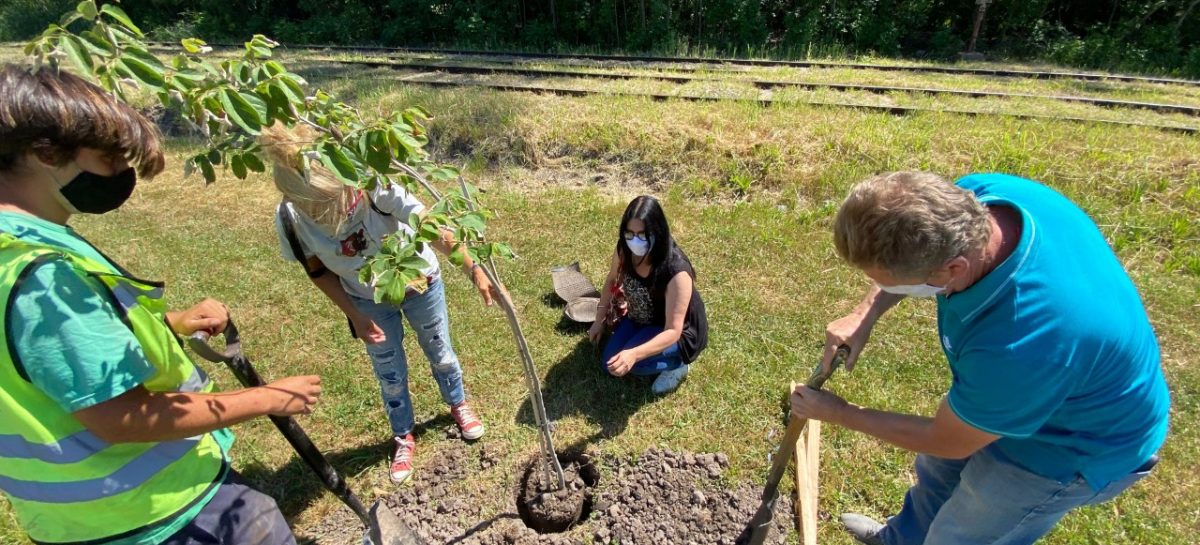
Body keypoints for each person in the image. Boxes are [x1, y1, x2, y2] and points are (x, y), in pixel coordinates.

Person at [0, 64, 322, 545]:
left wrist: (170, 325)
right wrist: (266, 398)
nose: (122, 172)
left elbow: (58, 363)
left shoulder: (17, 249)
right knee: (259, 524)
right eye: (110, 158)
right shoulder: (43, 280)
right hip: (149, 511)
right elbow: (123, 415)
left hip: (84, 518)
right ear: (46, 152)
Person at [791, 171, 1170, 545]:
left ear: (954, 268)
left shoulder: (1022, 341)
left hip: (1072, 444)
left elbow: (948, 440)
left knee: (961, 533)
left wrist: (840, 413)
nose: (887, 290)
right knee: (936, 477)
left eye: (893, 283)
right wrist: (865, 313)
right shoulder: (974, 201)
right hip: (1020, 392)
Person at [260, 123, 498, 485]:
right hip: (367, 299)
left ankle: (457, 404)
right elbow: (318, 271)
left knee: (441, 353)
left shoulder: (372, 184)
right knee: (389, 372)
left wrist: (474, 269)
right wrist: (354, 314)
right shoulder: (291, 220)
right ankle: (403, 434)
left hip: (420, 282)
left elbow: (430, 226)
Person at [588, 195, 708, 394]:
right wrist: (599, 320)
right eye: (630, 233)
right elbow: (611, 280)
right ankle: (642, 345)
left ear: (657, 232)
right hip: (641, 316)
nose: (635, 240)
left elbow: (673, 330)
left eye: (642, 234)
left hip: (674, 331)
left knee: (634, 365)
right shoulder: (624, 250)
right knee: (610, 363)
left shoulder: (676, 271)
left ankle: (678, 365)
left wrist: (634, 354)